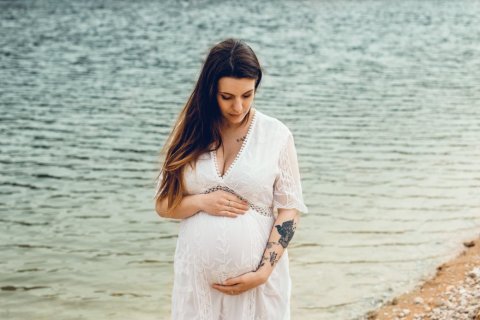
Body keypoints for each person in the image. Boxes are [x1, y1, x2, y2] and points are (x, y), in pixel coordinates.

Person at [154, 38, 308, 320]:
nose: (238, 106)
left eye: (247, 95)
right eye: (227, 97)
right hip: (197, 286)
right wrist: (201, 201)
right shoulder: (188, 133)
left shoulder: (276, 135)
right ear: (210, 90)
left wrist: (263, 273)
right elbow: (164, 205)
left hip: (258, 285)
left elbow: (289, 210)